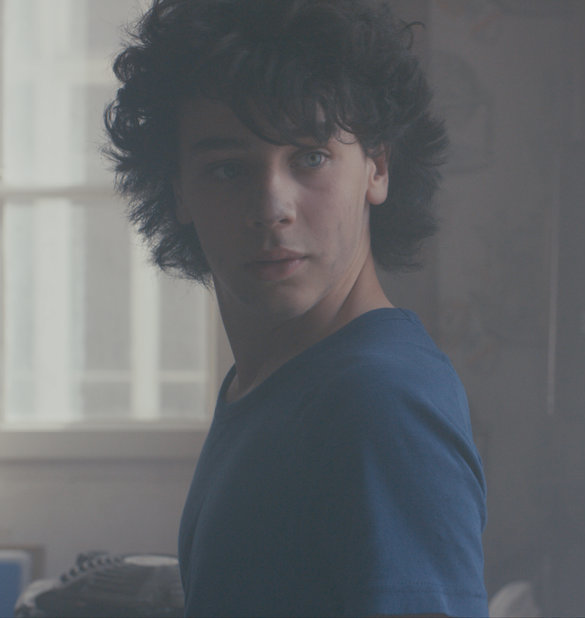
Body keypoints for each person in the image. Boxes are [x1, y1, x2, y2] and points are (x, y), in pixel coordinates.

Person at [104, 1, 488, 615]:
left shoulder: (378, 400)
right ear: (178, 190)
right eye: (227, 168)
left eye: (310, 157)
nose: (271, 207)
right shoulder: (269, 381)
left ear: (377, 167)